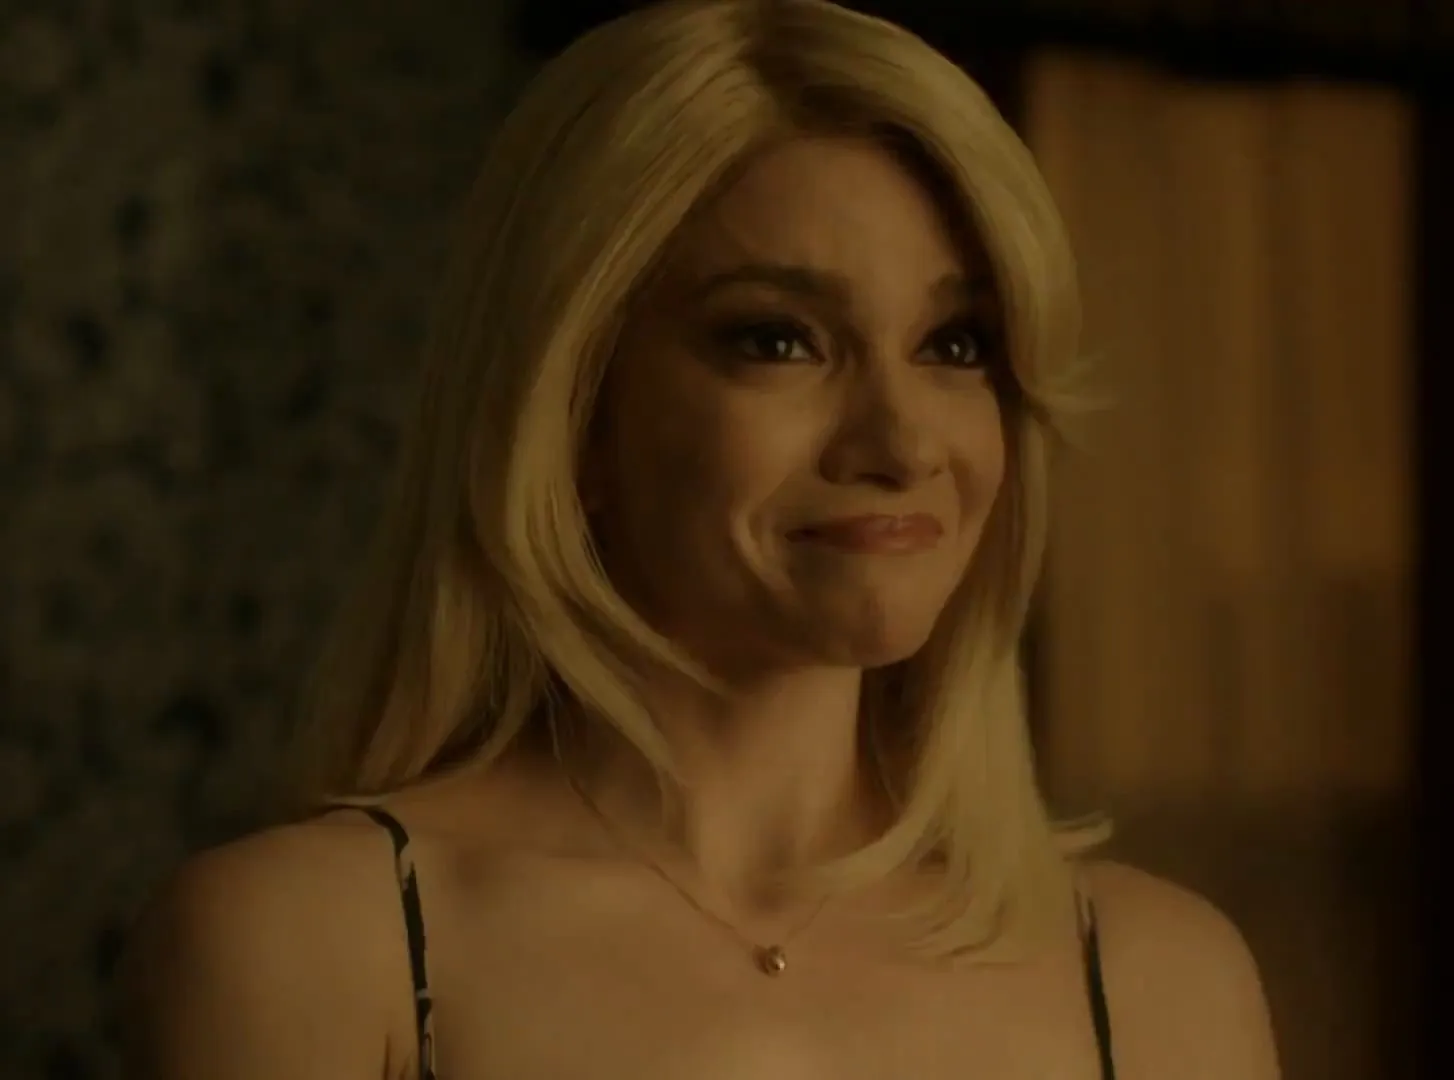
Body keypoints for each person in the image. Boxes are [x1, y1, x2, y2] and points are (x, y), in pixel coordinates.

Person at [119, 1, 1282, 1077]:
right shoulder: (314, 948)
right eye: (779, 340)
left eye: (955, 344)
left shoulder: (1158, 982)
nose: (902, 442)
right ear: (572, 408)